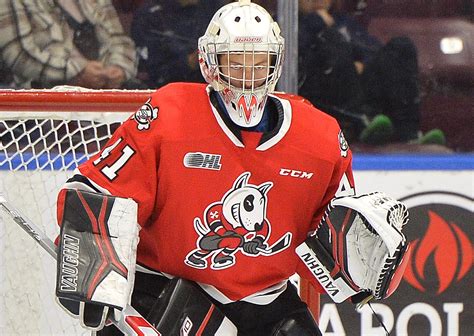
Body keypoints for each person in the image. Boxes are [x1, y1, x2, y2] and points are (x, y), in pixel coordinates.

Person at [54, 1, 408, 335]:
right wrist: (90, 269)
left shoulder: (321, 136)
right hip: (163, 286)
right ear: (210, 62)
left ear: (276, 63)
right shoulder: (171, 114)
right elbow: (93, 191)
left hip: (262, 297)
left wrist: (360, 257)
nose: (247, 74)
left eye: (258, 62)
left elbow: (329, 242)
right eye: (235, 61)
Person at [297, 0, 445, 146]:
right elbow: (294, 59)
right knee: (332, 39)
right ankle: (358, 124)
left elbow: (372, 48)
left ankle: (408, 133)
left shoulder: (343, 22)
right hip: (326, 102)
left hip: (361, 89)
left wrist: (363, 63)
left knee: (401, 47)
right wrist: (315, 22)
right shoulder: (287, 23)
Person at [0, 0, 141, 89]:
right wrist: (77, 71)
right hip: (45, 105)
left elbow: (121, 41)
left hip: (106, 96)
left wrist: (119, 69)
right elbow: (19, 55)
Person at [130, 0, 229, 88]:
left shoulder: (220, 9)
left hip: (216, 89)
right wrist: (190, 62)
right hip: (165, 91)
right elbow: (151, 70)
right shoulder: (150, 14)